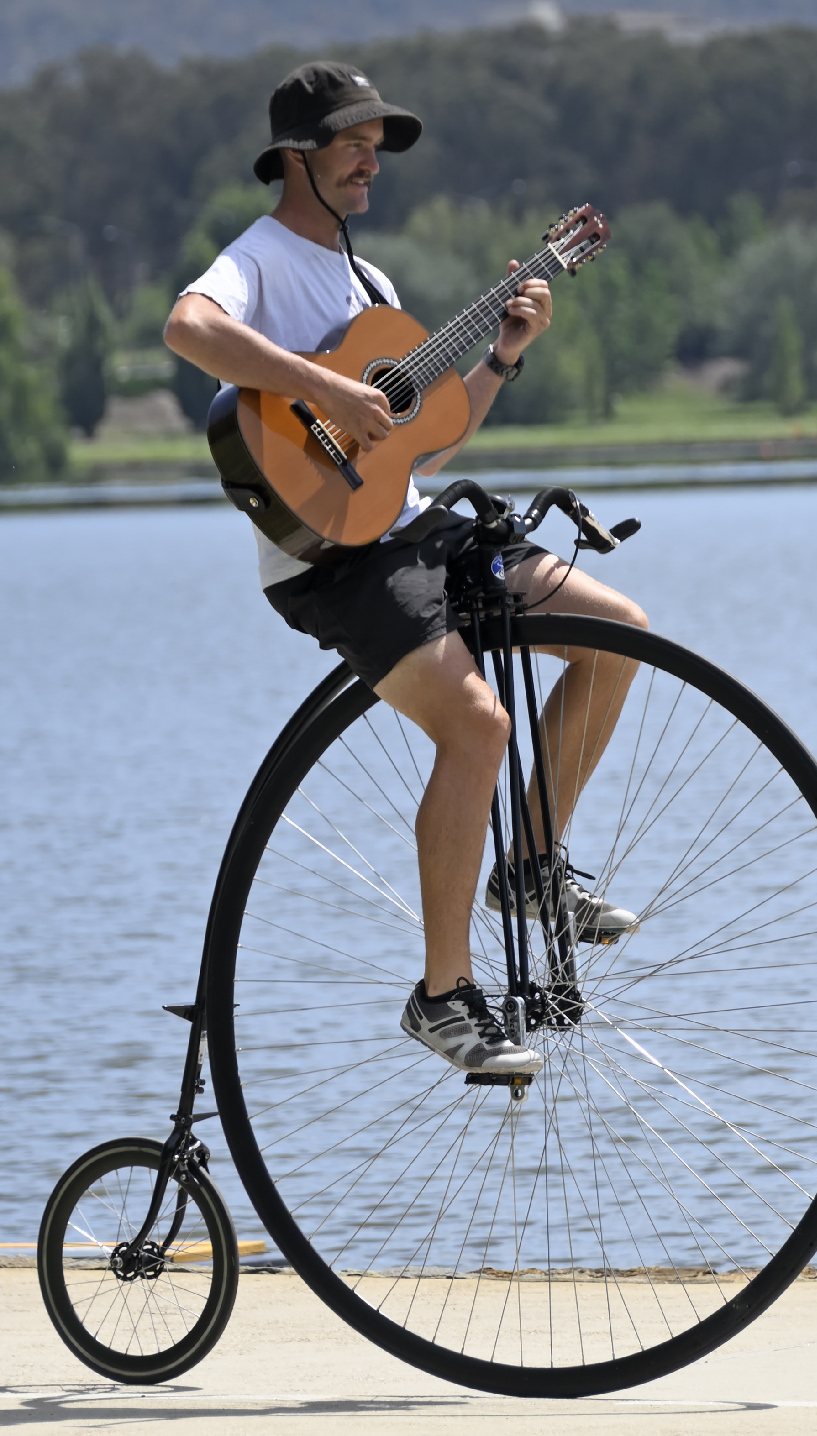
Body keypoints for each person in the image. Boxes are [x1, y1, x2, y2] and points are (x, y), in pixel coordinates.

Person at [164, 60, 647, 1079]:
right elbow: (188, 329)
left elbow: (419, 441)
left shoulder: (371, 286)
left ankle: (526, 867)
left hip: (409, 525)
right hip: (330, 560)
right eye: (350, 141)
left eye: (376, 144)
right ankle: (442, 995)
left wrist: (504, 354)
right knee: (479, 723)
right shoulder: (257, 259)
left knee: (618, 636)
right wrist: (319, 388)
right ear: (294, 157)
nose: (369, 159)